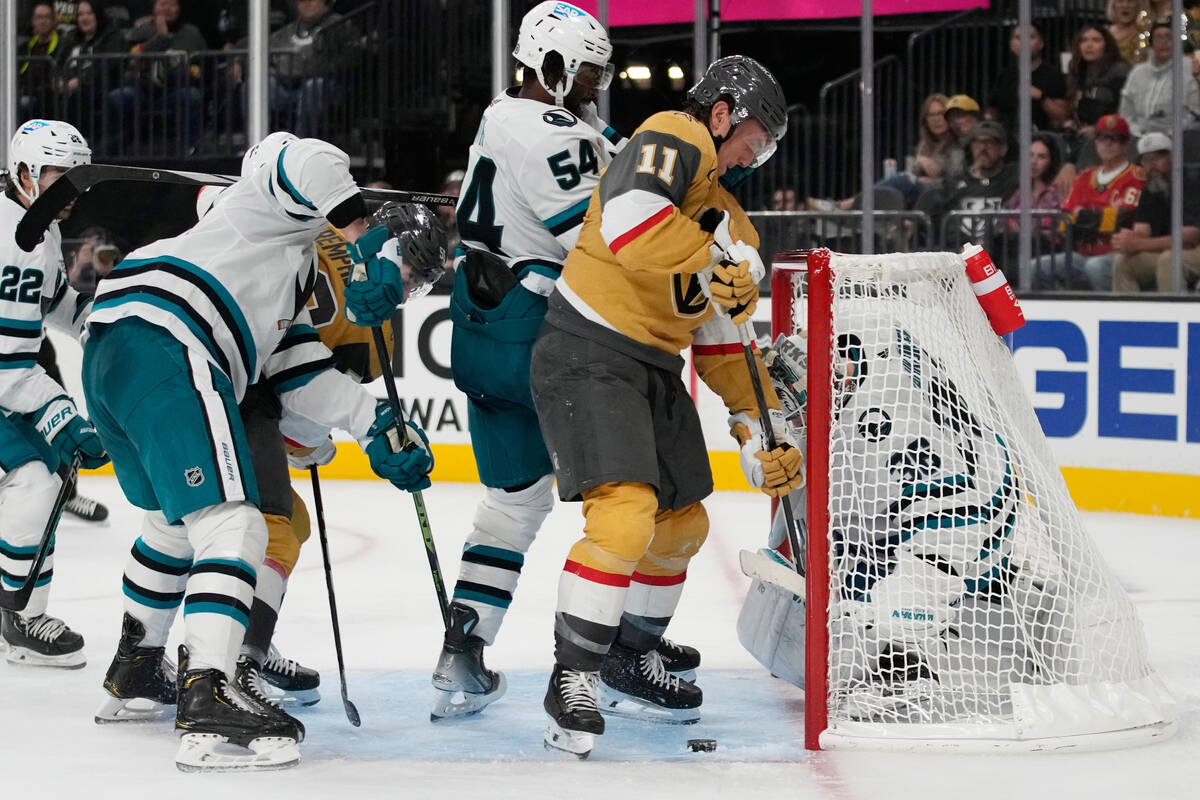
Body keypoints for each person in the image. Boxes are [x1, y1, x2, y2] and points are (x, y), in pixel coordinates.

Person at [82, 132, 435, 771]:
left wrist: (375, 421)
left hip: (118, 343)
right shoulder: (264, 198)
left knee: (171, 522)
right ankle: (210, 689)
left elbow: (297, 373)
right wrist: (366, 246)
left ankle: (136, 665)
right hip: (170, 339)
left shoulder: (290, 265)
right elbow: (300, 156)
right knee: (235, 522)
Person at [531, 54, 801, 758]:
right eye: (755, 138)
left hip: (652, 368)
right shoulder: (674, 133)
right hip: (589, 349)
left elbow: (721, 349)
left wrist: (755, 432)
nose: (756, 156)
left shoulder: (730, 219)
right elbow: (630, 222)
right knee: (624, 518)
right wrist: (717, 262)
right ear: (721, 113)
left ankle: (627, 657)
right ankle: (574, 678)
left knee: (681, 528)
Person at [427, 1, 632, 723]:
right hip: (536, 333)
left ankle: (463, 648)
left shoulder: (499, 113)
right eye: (586, 75)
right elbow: (603, 243)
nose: (594, 88)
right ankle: (616, 655)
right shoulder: (552, 134)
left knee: (514, 502)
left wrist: (611, 144)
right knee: (628, 494)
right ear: (552, 67)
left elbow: (580, 140)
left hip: (476, 329)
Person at [0, 119, 106, 668]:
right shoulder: (6, 229)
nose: (71, 191)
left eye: (77, 179)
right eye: (61, 177)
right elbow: (9, 365)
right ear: (25, 172)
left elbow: (57, 300)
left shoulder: (37, 228)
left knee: (40, 484)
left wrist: (104, 320)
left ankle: (20, 614)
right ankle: (18, 614)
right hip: (7, 381)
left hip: (9, 382)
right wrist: (60, 414)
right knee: (36, 483)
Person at [1032, 114, 1144, 290]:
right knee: (1037, 267)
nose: (1108, 143)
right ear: (1095, 141)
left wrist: (1084, 217)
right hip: (1083, 253)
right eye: (1103, 138)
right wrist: (1099, 220)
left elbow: (1126, 219)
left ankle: (1107, 313)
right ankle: (1067, 311)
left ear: (1126, 143)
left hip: (1117, 255)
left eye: (1115, 139)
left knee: (1096, 267)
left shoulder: (1136, 176)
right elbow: (1065, 223)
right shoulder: (1084, 176)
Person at [105, 0, 207, 155]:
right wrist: (161, 37)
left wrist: (184, 70)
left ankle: (190, 150)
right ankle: (117, 152)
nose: (167, 9)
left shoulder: (191, 33)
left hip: (175, 90)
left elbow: (201, 67)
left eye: (172, 4)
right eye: (163, 4)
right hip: (140, 89)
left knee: (192, 95)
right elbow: (130, 59)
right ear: (153, 8)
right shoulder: (138, 31)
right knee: (118, 96)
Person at [1111, 132, 1200, 291]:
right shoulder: (1151, 188)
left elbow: (1189, 238)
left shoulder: (1192, 181)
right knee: (1123, 262)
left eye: (1157, 158)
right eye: (1146, 160)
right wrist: (1126, 241)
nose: (1151, 165)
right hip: (1169, 249)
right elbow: (1142, 231)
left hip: (1194, 249)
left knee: (1169, 260)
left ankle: (1173, 314)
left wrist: (1137, 243)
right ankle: (1128, 314)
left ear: (1173, 157)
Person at [263, 0, 359, 139]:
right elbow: (256, 45)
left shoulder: (340, 24)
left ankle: (299, 147)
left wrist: (317, 69)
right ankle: (263, 146)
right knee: (260, 85)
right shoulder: (287, 30)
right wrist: (239, 61)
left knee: (312, 87)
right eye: (301, 0)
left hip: (328, 87)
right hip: (288, 85)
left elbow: (351, 58)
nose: (307, 3)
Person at [930, 119, 1019, 242]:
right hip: (961, 251)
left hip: (1001, 251)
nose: (983, 148)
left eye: (989, 143)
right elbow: (946, 221)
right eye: (977, 143)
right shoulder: (954, 182)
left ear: (1003, 149)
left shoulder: (1014, 177)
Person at [986, 24, 1071, 136]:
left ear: (1041, 43)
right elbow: (992, 112)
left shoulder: (1052, 75)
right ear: (1011, 45)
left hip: (1042, 139)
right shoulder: (1005, 75)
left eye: (1030, 37)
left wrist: (1041, 97)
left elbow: (1063, 116)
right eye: (1018, 38)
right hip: (1008, 139)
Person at [1120, 20, 1200, 138]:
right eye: (1158, 38)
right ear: (1151, 44)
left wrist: (1169, 134)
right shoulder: (1138, 72)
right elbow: (1126, 112)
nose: (1164, 42)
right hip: (1141, 137)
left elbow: (1196, 112)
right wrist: (1138, 132)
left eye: (1168, 37)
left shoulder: (1190, 69)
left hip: (1181, 138)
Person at [57, 1, 126, 137]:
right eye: (80, 14)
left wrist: (79, 81)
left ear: (98, 16)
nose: (84, 18)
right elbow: (58, 63)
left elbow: (105, 66)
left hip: (99, 86)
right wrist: (58, 80)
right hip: (67, 87)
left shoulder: (112, 36)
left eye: (89, 13)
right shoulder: (71, 38)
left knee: (78, 96)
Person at [1067, 25, 1132, 135]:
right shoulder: (1078, 70)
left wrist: (1097, 129)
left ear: (1107, 45)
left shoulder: (1119, 70)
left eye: (1096, 40)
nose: (1089, 45)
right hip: (1082, 132)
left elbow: (1125, 110)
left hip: (1111, 134)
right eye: (1083, 40)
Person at [19, 4, 62, 121]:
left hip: (45, 98)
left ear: (53, 21)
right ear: (33, 21)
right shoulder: (25, 47)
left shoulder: (62, 45)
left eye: (47, 17)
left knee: (21, 105)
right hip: (22, 92)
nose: (43, 21)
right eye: (39, 17)